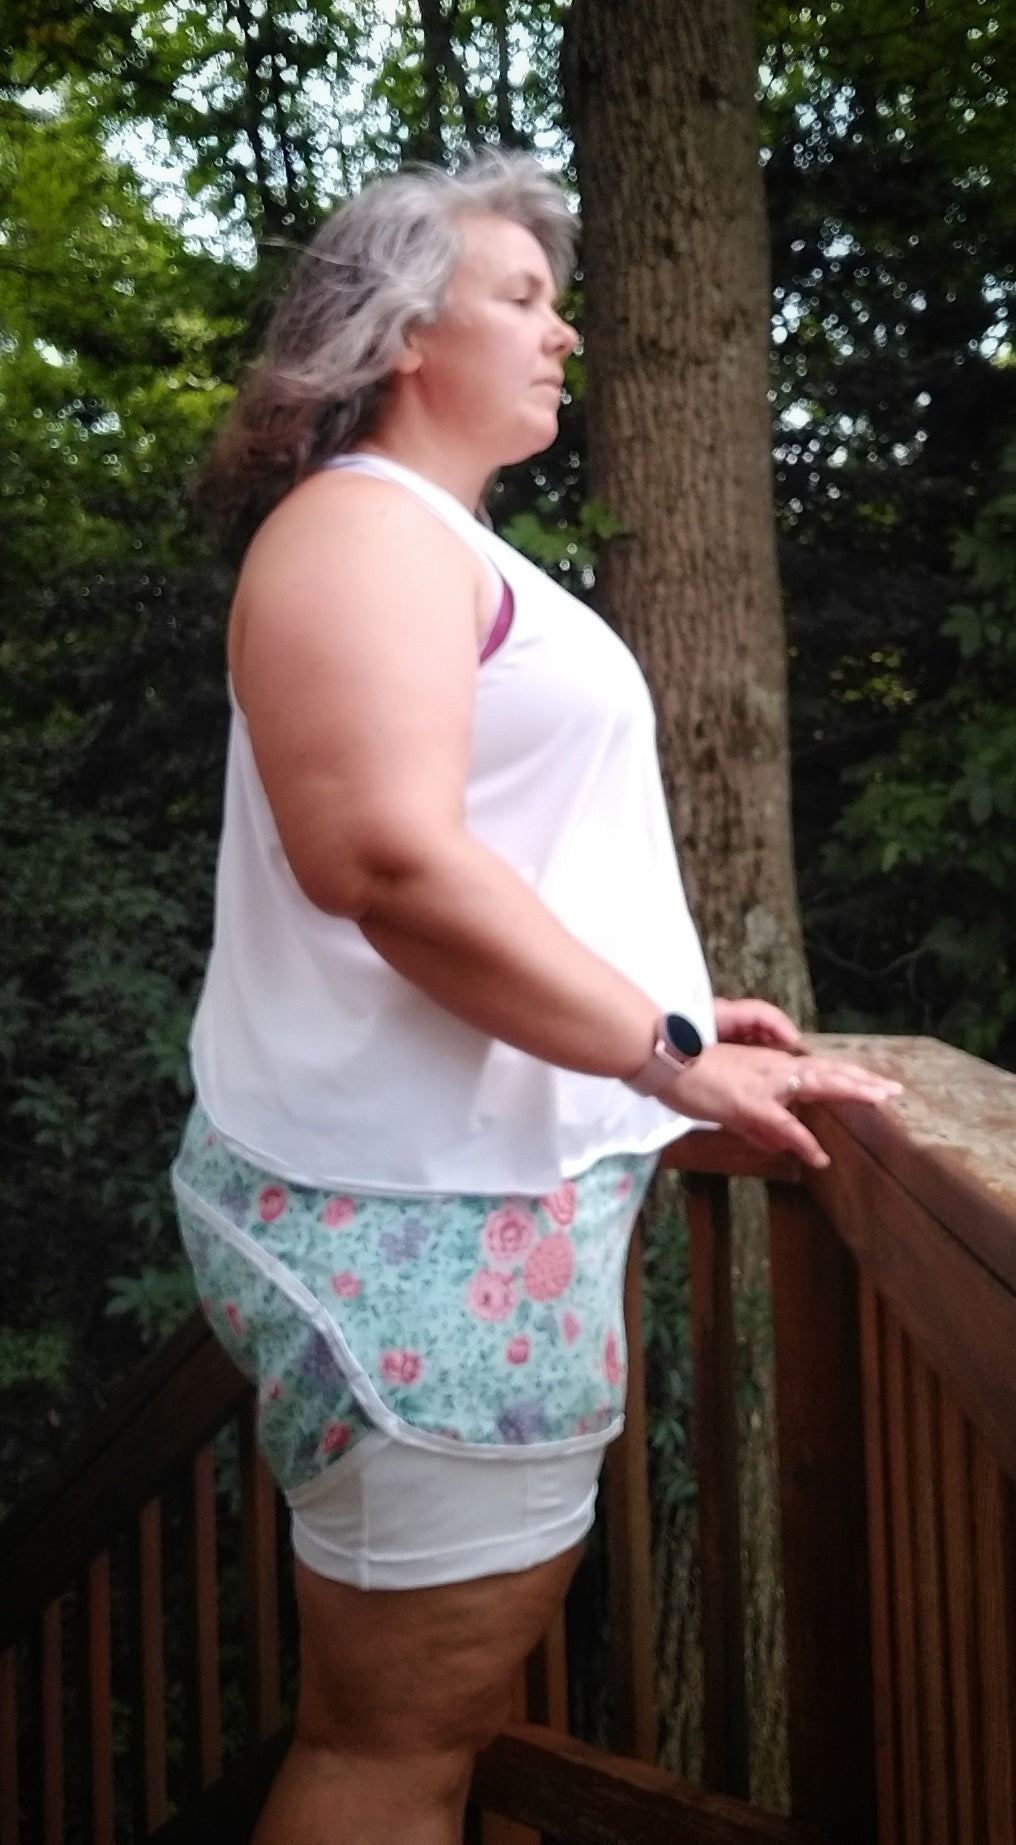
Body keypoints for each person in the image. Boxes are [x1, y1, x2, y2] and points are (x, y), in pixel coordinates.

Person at [171, 150, 901, 1845]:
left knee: (412, 1742)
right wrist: (665, 1053)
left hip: (451, 1220)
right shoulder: (361, 529)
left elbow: (501, 845)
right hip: (413, 1224)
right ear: (401, 331)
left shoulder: (420, 538)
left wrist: (668, 1000)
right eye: (522, 297)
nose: (563, 333)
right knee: (389, 1754)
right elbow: (391, 865)